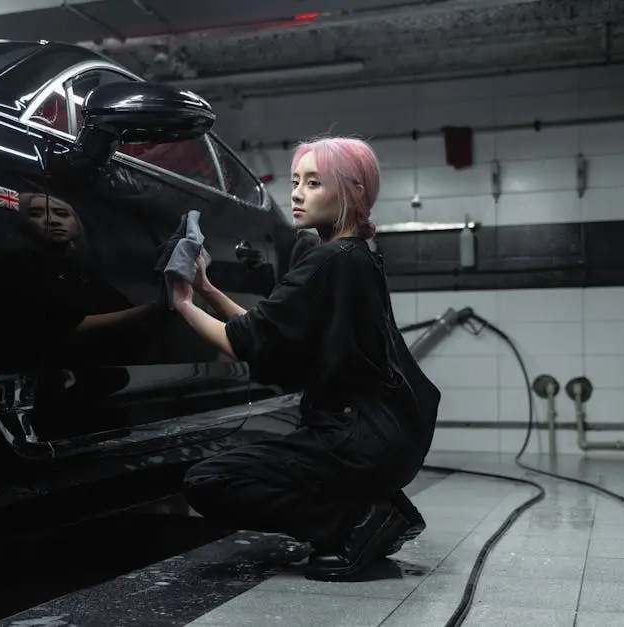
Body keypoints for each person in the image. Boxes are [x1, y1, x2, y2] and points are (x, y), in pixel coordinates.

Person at [171, 136, 441, 582]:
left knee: (210, 481)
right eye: (296, 181)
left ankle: (356, 524)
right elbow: (270, 335)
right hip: (389, 434)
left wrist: (181, 302)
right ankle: (377, 509)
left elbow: (244, 342)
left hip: (359, 438)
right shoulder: (358, 256)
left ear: (351, 192)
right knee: (249, 466)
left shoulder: (327, 260)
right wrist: (207, 290)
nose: (296, 193)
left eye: (314, 183)